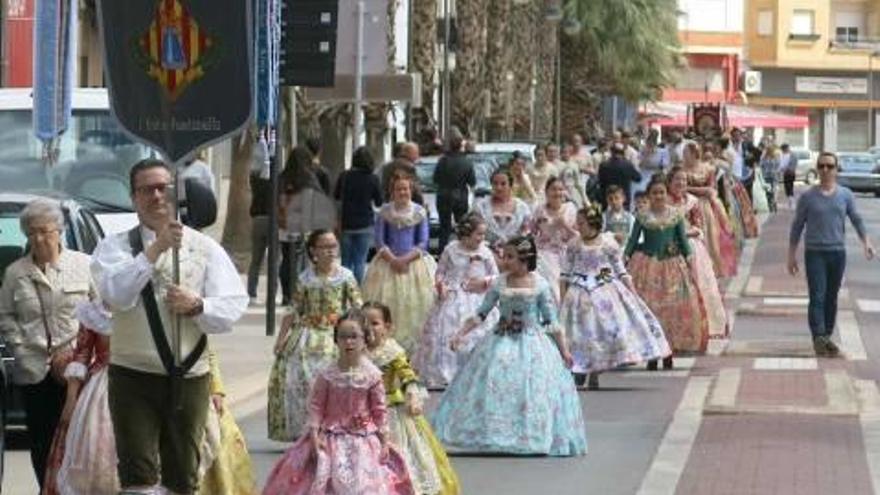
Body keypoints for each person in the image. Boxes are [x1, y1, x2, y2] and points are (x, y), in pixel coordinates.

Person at [90, 159, 249, 495]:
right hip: (133, 374)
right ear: (134, 198)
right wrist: (156, 249)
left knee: (182, 475)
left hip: (189, 375)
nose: (157, 196)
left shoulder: (204, 247)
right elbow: (116, 293)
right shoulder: (114, 247)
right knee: (137, 472)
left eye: (164, 188)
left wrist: (199, 305)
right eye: (147, 190)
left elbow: (233, 304)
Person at [431, 236, 587, 456]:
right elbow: (481, 314)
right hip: (500, 340)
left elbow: (552, 322)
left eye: (510, 257)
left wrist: (564, 351)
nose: (504, 261)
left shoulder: (540, 284)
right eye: (504, 256)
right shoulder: (499, 282)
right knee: (495, 382)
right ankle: (495, 433)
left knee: (530, 388)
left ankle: (529, 435)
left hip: (532, 343)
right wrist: (460, 334)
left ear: (525, 259)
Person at [262, 309, 415, 495]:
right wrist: (314, 432)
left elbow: (379, 411)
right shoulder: (327, 374)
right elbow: (317, 406)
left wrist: (383, 440)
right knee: (321, 477)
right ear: (336, 340)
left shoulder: (372, 376)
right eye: (343, 337)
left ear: (364, 340)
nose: (349, 342)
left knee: (365, 483)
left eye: (354, 337)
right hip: (329, 436)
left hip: (363, 438)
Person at [0, 198, 96, 491]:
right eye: (31, 232)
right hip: (34, 371)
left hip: (78, 371)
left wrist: (81, 352)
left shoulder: (84, 265)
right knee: (42, 443)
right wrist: (21, 346)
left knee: (79, 443)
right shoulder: (16, 273)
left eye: (45, 230)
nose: (39, 238)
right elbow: (5, 315)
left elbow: (103, 312)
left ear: (60, 230)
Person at [560, 205, 670, 390]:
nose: (578, 227)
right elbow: (564, 274)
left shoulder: (608, 243)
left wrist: (632, 293)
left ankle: (595, 371)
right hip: (579, 292)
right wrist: (563, 297)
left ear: (593, 224)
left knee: (605, 330)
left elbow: (620, 270)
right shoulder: (574, 245)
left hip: (605, 289)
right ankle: (581, 368)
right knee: (581, 333)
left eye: (581, 223)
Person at [268, 230, 362, 442]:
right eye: (325, 246)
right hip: (307, 334)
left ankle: (336, 424)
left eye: (333, 246)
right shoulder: (305, 278)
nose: (330, 251)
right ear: (313, 251)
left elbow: (357, 306)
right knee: (298, 376)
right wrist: (281, 339)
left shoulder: (345, 276)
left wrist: (357, 335)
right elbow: (293, 310)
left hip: (335, 334)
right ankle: (305, 427)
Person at [364, 302, 460, 495]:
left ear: (387, 327)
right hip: (363, 412)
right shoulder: (358, 352)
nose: (369, 328)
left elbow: (408, 376)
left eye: (375, 323)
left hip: (390, 409)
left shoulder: (392, 352)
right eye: (363, 323)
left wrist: (413, 397)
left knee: (400, 451)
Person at [788, 152, 876, 357]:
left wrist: (867, 243)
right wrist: (791, 255)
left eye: (830, 166)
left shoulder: (845, 195)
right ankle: (819, 335)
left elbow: (856, 219)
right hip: (815, 253)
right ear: (817, 169)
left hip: (837, 253)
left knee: (831, 297)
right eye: (822, 166)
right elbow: (797, 226)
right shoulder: (808, 197)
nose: (825, 170)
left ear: (837, 169)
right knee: (817, 295)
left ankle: (826, 336)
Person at [625, 179, 708, 369]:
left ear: (666, 194)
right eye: (654, 193)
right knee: (651, 310)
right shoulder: (642, 216)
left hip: (672, 267)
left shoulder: (675, 215)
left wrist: (689, 259)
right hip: (647, 267)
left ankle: (669, 352)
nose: (658, 196)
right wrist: (625, 256)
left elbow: (682, 240)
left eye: (661, 192)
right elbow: (633, 239)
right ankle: (653, 354)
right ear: (649, 195)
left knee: (672, 311)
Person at [415, 213, 499, 389]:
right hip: (452, 294)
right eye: (478, 234)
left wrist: (484, 282)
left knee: (478, 331)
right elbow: (440, 272)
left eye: (483, 234)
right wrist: (441, 285)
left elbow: (496, 276)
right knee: (445, 328)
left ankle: (476, 374)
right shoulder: (451, 249)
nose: (481, 238)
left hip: (477, 296)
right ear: (466, 234)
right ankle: (444, 373)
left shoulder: (485, 252)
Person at [362, 175, 437, 353]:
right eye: (399, 189)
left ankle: (413, 348)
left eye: (406, 189)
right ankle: (383, 342)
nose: (403, 192)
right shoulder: (385, 212)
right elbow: (380, 240)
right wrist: (393, 260)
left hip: (414, 264)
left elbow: (423, 242)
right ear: (392, 192)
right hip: (387, 264)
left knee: (415, 304)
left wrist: (405, 260)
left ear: (411, 191)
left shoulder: (419, 212)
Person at [667, 167, 729, 339]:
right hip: (669, 247)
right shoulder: (664, 202)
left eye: (684, 181)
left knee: (700, 285)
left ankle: (703, 324)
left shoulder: (692, 202)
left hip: (692, 247)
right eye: (677, 180)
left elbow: (698, 226)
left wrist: (687, 233)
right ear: (669, 183)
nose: (681, 184)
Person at [279, 147, 336, 304]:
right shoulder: (309, 178)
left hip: (284, 226)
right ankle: (301, 293)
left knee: (286, 260)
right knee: (304, 260)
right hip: (305, 225)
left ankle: (286, 294)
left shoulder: (282, 177)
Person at [682, 142, 738, 278]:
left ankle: (707, 267)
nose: (684, 156)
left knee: (707, 236)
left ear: (695, 154)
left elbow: (711, 190)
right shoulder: (681, 169)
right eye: (684, 153)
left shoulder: (708, 169)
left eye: (687, 153)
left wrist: (688, 190)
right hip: (684, 205)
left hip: (702, 205)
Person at [335, 146, 384, 284]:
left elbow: (337, 197)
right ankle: (356, 291)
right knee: (360, 261)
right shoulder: (372, 179)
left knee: (345, 261)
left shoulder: (344, 176)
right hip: (365, 223)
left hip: (346, 223)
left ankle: (344, 289)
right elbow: (379, 202)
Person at [531, 178, 578, 302]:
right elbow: (532, 233)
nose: (557, 193)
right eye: (553, 189)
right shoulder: (540, 210)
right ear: (546, 192)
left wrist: (564, 225)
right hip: (545, 253)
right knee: (551, 283)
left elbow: (578, 236)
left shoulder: (571, 209)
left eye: (560, 189)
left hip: (567, 252)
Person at [471, 168, 532, 253]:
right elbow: (473, 233)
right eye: (495, 183)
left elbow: (527, 234)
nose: (498, 187)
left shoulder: (522, 207)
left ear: (510, 185)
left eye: (503, 184)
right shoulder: (480, 206)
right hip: (485, 253)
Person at [433, 132, 476, 253]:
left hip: (443, 195)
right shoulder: (467, 162)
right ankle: (462, 250)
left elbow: (435, 179)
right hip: (460, 196)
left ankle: (442, 253)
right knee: (462, 226)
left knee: (444, 228)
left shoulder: (442, 161)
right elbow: (472, 182)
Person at [246, 131, 275, 304]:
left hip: (257, 219)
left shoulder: (255, 179)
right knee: (273, 260)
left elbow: (255, 168)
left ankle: (252, 293)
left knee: (256, 259)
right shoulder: (277, 179)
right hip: (272, 220)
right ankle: (272, 293)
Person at [597, 142, 641, 210]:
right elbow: (638, 178)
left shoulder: (603, 165)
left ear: (611, 152)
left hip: (608, 199)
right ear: (623, 152)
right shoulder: (627, 165)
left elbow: (600, 181)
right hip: (623, 199)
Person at [555, 143, 588, 207]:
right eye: (563, 152)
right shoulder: (556, 165)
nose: (565, 154)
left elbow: (578, 183)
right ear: (560, 153)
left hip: (572, 192)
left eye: (567, 152)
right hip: (560, 193)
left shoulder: (574, 165)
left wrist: (584, 198)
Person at [781, 143, 798, 209]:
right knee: (788, 187)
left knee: (789, 187)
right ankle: (790, 201)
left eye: (783, 150)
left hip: (790, 173)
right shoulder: (783, 155)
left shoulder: (792, 155)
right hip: (786, 173)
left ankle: (791, 202)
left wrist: (787, 168)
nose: (783, 151)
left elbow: (794, 164)